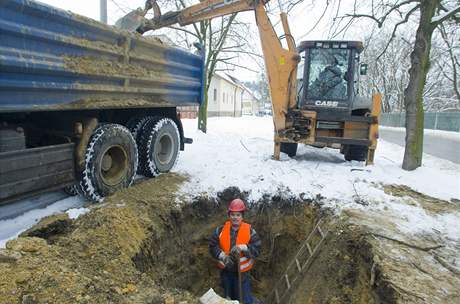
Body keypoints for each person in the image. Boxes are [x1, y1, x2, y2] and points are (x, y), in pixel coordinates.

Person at [209, 198, 261, 304]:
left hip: (242, 275)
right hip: (226, 272)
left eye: (238, 215)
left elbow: (257, 250)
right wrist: (222, 256)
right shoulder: (220, 230)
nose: (235, 218)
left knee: (244, 299)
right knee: (229, 298)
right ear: (229, 215)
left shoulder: (250, 232)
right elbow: (213, 246)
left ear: (242, 216)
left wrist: (245, 247)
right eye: (233, 215)